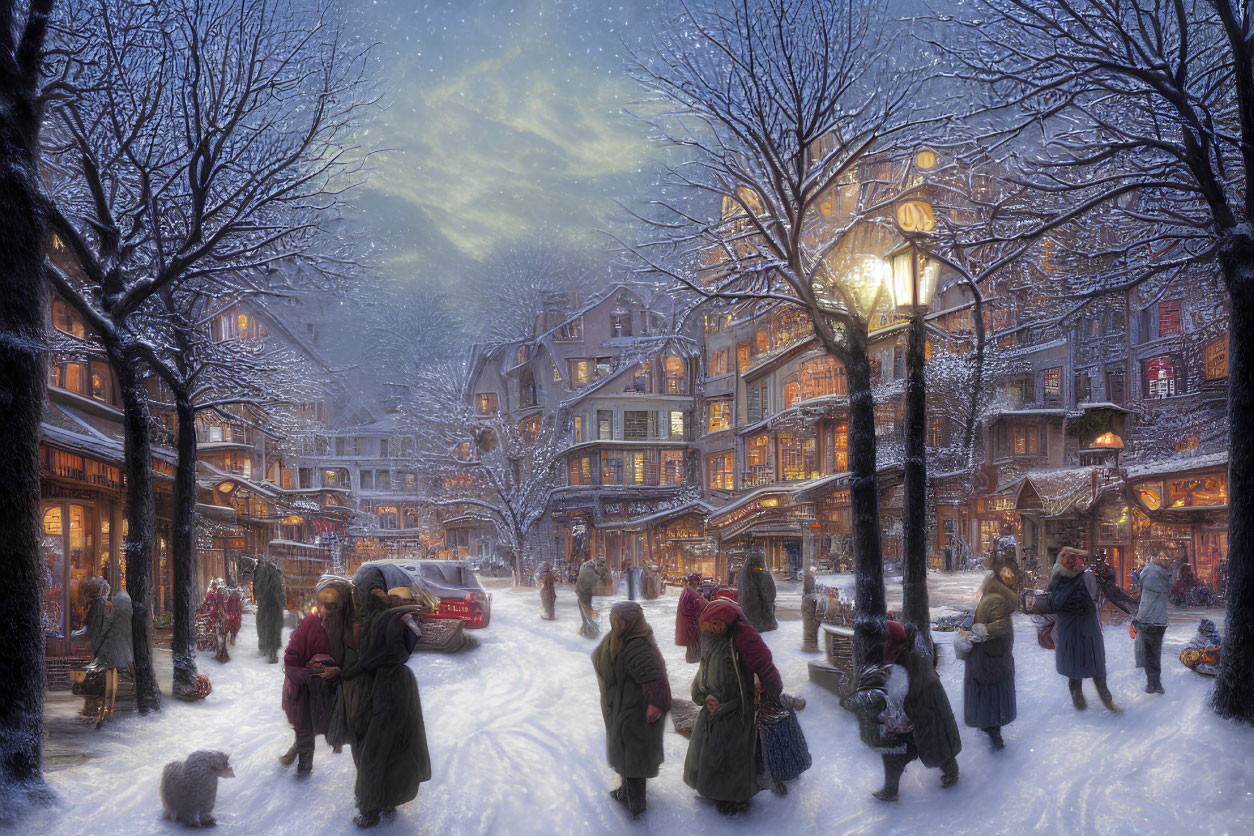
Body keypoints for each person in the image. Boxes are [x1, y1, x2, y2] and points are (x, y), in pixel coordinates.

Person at [335, 586, 432, 828]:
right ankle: (387, 800)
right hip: (399, 686)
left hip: (384, 688)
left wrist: (347, 673)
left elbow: (372, 659)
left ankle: (370, 811)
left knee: (374, 751)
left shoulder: (386, 621)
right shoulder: (405, 619)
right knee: (394, 748)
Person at [683, 599, 782, 816]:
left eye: (715, 625)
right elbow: (703, 673)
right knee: (711, 755)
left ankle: (735, 799)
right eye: (707, 627)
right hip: (712, 712)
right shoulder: (712, 638)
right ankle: (714, 791)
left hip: (737, 711)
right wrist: (703, 696)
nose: (710, 630)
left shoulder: (743, 636)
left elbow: (764, 665)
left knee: (734, 757)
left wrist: (773, 693)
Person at [593, 601, 672, 820]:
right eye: (613, 619)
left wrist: (655, 705)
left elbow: (654, 678)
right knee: (623, 749)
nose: (615, 623)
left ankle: (636, 802)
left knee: (633, 754)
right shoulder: (622, 637)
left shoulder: (637, 645)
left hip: (638, 708)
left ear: (631, 621)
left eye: (620, 620)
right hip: (623, 703)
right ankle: (626, 790)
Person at [841, 621, 914, 801]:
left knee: (894, 754)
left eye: (885, 639)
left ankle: (890, 792)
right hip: (899, 720)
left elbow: (897, 696)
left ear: (891, 640)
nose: (883, 643)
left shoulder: (899, 665)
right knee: (895, 754)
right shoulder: (894, 656)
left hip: (902, 722)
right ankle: (891, 789)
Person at [1046, 547, 1119, 712]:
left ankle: (1082, 701)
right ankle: (1105, 701)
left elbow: (1055, 603)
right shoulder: (1082, 578)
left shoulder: (1059, 578)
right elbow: (1091, 597)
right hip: (1083, 629)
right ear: (1073, 562)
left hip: (1072, 630)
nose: (1083, 563)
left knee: (1076, 667)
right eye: (1080, 560)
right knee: (1095, 665)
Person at [963, 562, 1017, 750]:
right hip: (992, 656)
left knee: (989, 695)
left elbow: (1001, 626)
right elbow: (1001, 626)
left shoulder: (994, 598)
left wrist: (981, 631)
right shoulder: (995, 598)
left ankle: (993, 736)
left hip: (989, 656)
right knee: (991, 695)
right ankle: (992, 731)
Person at [280, 598, 331, 775]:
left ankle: (295, 752)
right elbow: (292, 656)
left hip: (309, 685)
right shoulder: (312, 626)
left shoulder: (324, 626)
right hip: (302, 686)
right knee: (305, 725)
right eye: (328, 607)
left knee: (306, 725)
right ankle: (304, 769)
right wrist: (309, 673)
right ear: (322, 607)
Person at [315, 575, 359, 754]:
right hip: (329, 666)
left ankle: (337, 740)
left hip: (342, 670)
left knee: (341, 705)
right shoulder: (325, 619)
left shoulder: (351, 623)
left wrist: (342, 669)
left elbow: (354, 651)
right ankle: (334, 738)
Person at [1134, 554, 1171, 694]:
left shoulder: (1149, 576)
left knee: (1147, 653)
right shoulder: (1163, 578)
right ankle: (1156, 684)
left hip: (1148, 621)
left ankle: (1152, 684)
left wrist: (1137, 619)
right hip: (1160, 622)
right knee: (1155, 653)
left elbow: (1146, 605)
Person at [737, 550, 777, 633]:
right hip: (762, 619)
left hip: (749, 616)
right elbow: (769, 594)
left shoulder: (743, 572)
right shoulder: (763, 573)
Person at [253, 557, 285, 664]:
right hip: (276, 606)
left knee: (263, 625)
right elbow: (280, 592)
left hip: (266, 606)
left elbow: (257, 591)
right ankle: (273, 652)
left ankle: (265, 647)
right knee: (274, 628)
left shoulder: (260, 573)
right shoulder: (276, 575)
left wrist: (260, 599)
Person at [676, 573, 705, 663]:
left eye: (696, 581)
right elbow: (694, 605)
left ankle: (694, 657)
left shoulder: (690, 591)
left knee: (695, 640)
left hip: (693, 620)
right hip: (691, 621)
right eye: (694, 581)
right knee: (693, 641)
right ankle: (693, 658)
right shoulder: (689, 592)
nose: (695, 582)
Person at [576, 558, 603, 639]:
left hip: (585, 598)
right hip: (584, 598)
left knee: (587, 616)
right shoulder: (586, 575)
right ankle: (588, 632)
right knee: (587, 615)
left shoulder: (585, 575)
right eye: (591, 568)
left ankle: (584, 631)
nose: (592, 570)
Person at [801, 570, 823, 652]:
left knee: (810, 628)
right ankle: (810, 647)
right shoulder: (810, 597)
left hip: (808, 609)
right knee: (811, 628)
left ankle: (810, 646)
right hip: (809, 611)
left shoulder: (807, 595)